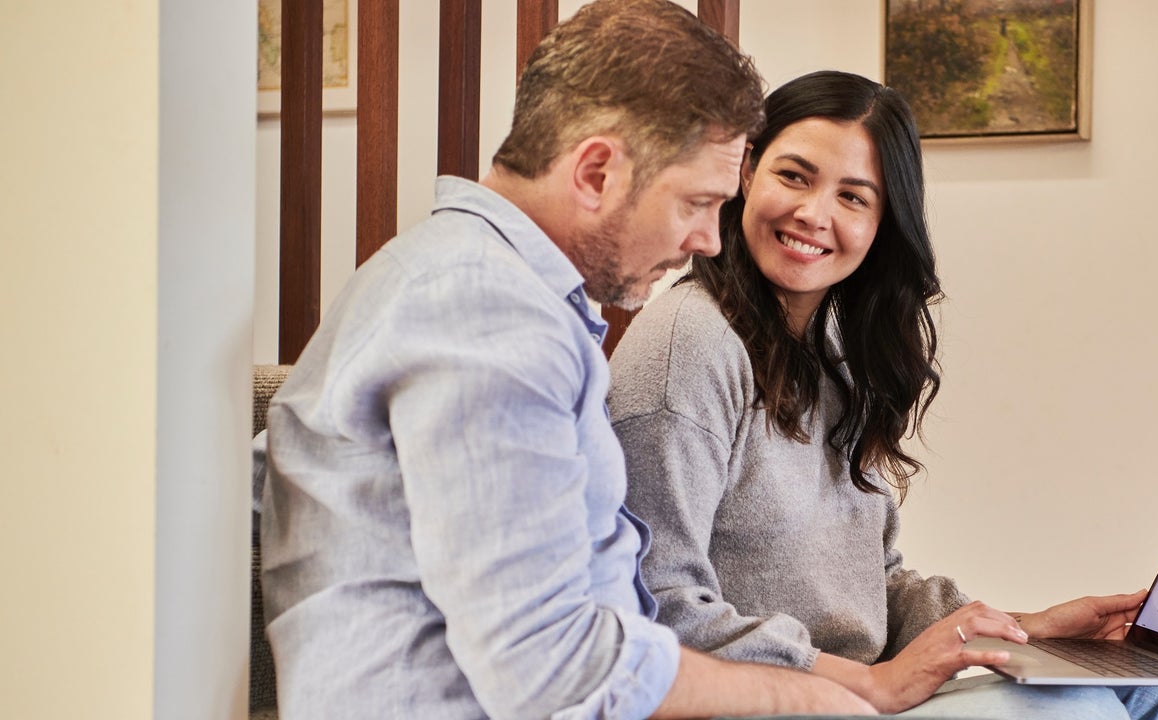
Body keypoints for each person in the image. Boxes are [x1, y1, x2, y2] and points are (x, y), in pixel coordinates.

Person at [256, 3, 877, 718]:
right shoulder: (485, 314)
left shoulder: (478, 292)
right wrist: (793, 696)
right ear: (596, 172)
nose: (710, 238)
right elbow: (546, 661)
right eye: (697, 202)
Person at [608, 70, 1158, 719]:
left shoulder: (832, 352)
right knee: (1076, 712)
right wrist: (867, 684)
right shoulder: (690, 342)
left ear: (883, 223)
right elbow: (655, 604)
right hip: (766, 701)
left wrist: (1022, 629)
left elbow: (870, 586)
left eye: (853, 196)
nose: (813, 214)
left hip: (854, 688)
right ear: (746, 173)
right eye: (794, 176)